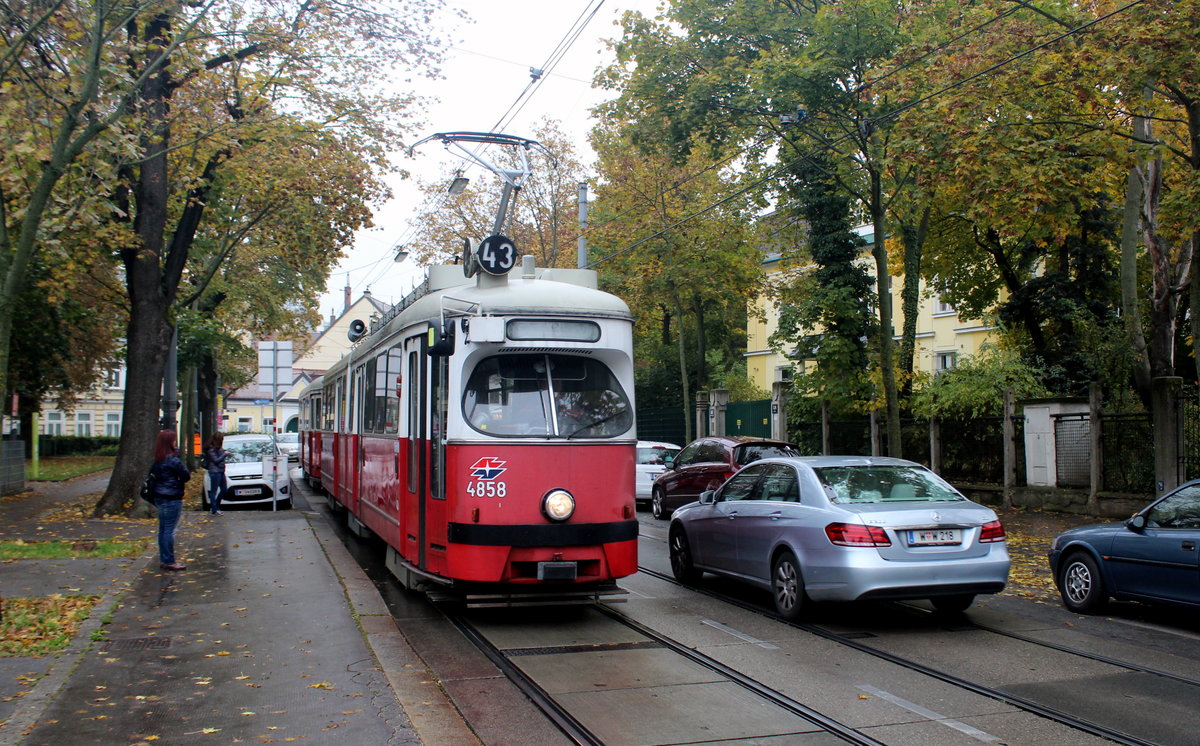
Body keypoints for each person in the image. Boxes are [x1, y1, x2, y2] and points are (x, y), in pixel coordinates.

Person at [150, 429, 191, 571]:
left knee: (163, 529)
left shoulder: (158, 458)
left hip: (159, 496)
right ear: (170, 442)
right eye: (174, 440)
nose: (176, 442)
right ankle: (169, 560)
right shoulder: (172, 459)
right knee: (169, 530)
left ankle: (164, 558)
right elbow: (185, 475)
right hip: (172, 496)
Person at [203, 432, 228, 516]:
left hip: (220, 471)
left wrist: (223, 452)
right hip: (214, 471)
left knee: (224, 489)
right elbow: (216, 460)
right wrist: (224, 455)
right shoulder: (210, 449)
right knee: (214, 491)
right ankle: (214, 509)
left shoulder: (218, 448)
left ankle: (216, 506)